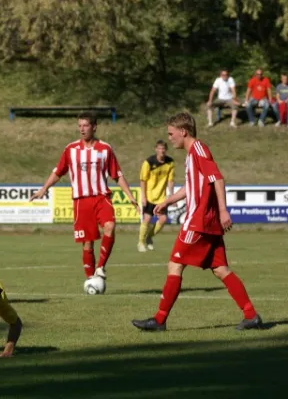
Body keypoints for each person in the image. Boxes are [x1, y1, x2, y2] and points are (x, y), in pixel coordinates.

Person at [131, 112, 262, 332]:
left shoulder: (199, 149)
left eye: (171, 134)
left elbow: (217, 178)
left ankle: (159, 319)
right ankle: (251, 315)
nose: (170, 138)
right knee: (221, 269)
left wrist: (222, 210)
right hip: (206, 222)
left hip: (199, 221)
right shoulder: (192, 155)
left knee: (175, 264)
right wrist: (168, 201)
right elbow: (190, 187)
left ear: (183, 131)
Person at [29, 112, 139, 287]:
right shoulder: (71, 149)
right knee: (87, 243)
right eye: (79, 125)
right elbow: (58, 171)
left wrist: (130, 196)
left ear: (94, 127)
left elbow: (117, 175)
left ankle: (101, 267)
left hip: (101, 197)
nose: (82, 129)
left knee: (110, 226)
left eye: (85, 125)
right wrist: (44, 189)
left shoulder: (105, 149)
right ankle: (90, 280)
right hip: (81, 201)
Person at [137, 140, 175, 252]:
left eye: (163, 149)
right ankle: (141, 242)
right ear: (156, 149)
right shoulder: (148, 162)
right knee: (147, 219)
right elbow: (142, 180)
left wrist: (171, 196)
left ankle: (149, 237)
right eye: (159, 148)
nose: (161, 151)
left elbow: (170, 180)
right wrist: (143, 196)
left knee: (163, 219)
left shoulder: (170, 162)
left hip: (161, 198)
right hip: (149, 196)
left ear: (166, 150)